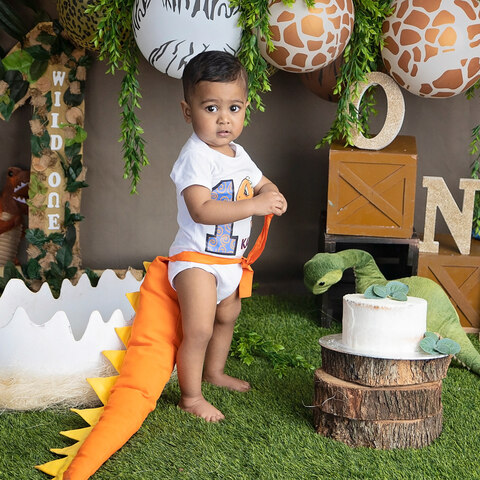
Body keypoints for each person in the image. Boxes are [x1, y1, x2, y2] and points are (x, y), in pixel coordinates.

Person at [170, 50, 287, 422]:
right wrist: (255, 205)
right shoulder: (196, 157)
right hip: (197, 260)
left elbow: (261, 182)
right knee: (200, 328)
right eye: (211, 108)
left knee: (227, 316)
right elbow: (201, 210)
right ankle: (190, 397)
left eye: (234, 108)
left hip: (231, 261)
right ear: (188, 111)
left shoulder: (239, 154)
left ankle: (215, 372)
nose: (224, 118)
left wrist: (273, 194)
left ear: (245, 109)